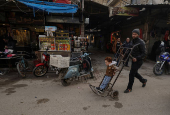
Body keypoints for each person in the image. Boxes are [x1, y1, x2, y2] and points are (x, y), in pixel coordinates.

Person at [124, 29, 147, 93]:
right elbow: (130, 49)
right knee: (134, 73)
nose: (133, 35)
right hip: (133, 60)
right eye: (132, 34)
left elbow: (144, 53)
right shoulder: (132, 41)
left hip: (138, 61)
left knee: (131, 74)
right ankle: (143, 80)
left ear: (138, 35)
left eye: (135, 34)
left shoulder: (141, 42)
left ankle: (129, 88)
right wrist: (125, 55)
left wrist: (137, 58)